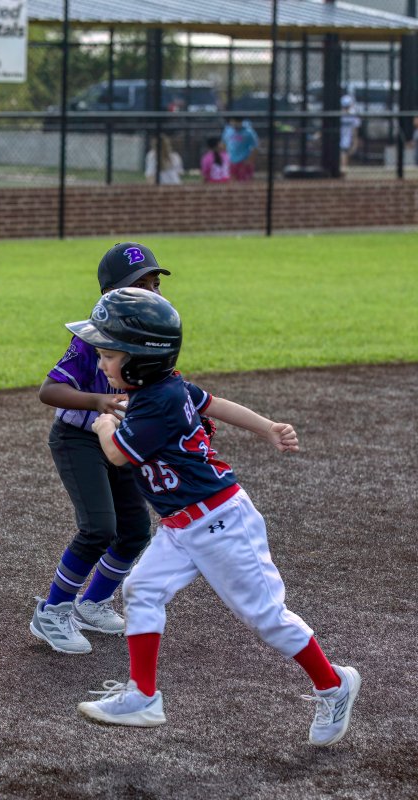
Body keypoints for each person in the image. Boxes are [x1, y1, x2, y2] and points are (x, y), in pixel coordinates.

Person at [67, 288, 361, 747]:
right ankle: (142, 696)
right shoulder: (163, 388)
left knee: (267, 618)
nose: (102, 364)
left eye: (108, 355)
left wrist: (105, 424)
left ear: (141, 360)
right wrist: (267, 426)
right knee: (142, 589)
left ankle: (333, 684)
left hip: (220, 522)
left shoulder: (158, 400)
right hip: (182, 524)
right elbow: (214, 403)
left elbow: (118, 455)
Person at [30, 242, 172, 655]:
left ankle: (93, 603)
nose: (151, 292)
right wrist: (97, 401)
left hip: (119, 440)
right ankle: (52, 611)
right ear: (111, 292)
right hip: (78, 439)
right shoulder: (92, 337)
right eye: (140, 285)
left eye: (154, 284)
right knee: (98, 528)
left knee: (135, 531)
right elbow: (49, 390)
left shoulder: (152, 335)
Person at [222, 115, 260, 181]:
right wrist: (226, 159)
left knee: (244, 183)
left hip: (243, 162)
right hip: (231, 162)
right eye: (232, 122)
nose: (234, 124)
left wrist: (249, 161)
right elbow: (224, 144)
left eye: (237, 122)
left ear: (241, 122)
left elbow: (255, 147)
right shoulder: (227, 131)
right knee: (231, 182)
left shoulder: (249, 132)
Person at [339, 95, 362, 171]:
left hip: (347, 138)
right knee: (342, 154)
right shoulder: (339, 114)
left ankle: (343, 170)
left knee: (344, 153)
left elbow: (355, 131)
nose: (345, 108)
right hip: (339, 137)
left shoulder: (353, 114)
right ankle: (342, 170)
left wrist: (355, 144)